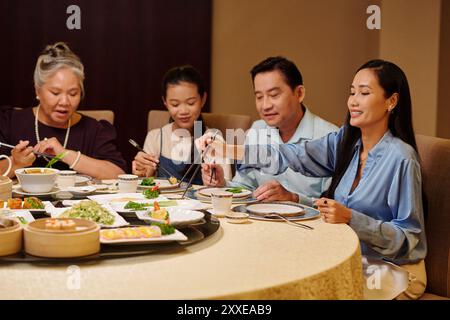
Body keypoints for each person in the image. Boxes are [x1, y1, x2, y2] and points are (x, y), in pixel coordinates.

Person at [198, 60, 427, 300]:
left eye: (364, 93)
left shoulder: (401, 158)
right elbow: (291, 154)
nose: (353, 101)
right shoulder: (345, 142)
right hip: (350, 258)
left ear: (391, 101)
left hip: (392, 270)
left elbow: (410, 238)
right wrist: (229, 150)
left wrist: (351, 218)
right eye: (352, 92)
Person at [201, 57, 338, 206]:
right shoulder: (257, 129)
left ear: (299, 94)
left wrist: (293, 198)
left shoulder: (329, 137)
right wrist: (223, 184)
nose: (265, 105)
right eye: (259, 97)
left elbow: (334, 206)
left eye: (274, 95)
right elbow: (246, 187)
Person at [0, 42, 127, 179]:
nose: (65, 102)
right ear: (38, 90)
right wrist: (15, 163)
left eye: (73, 94)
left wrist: (65, 154)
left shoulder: (94, 129)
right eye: (55, 93)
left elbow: (118, 174)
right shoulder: (10, 122)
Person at [132, 65, 231, 185]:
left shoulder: (213, 139)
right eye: (175, 104)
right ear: (165, 102)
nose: (183, 111)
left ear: (203, 99)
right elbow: (145, 183)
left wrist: (217, 182)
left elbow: (226, 187)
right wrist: (143, 173)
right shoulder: (156, 137)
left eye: (190, 103)